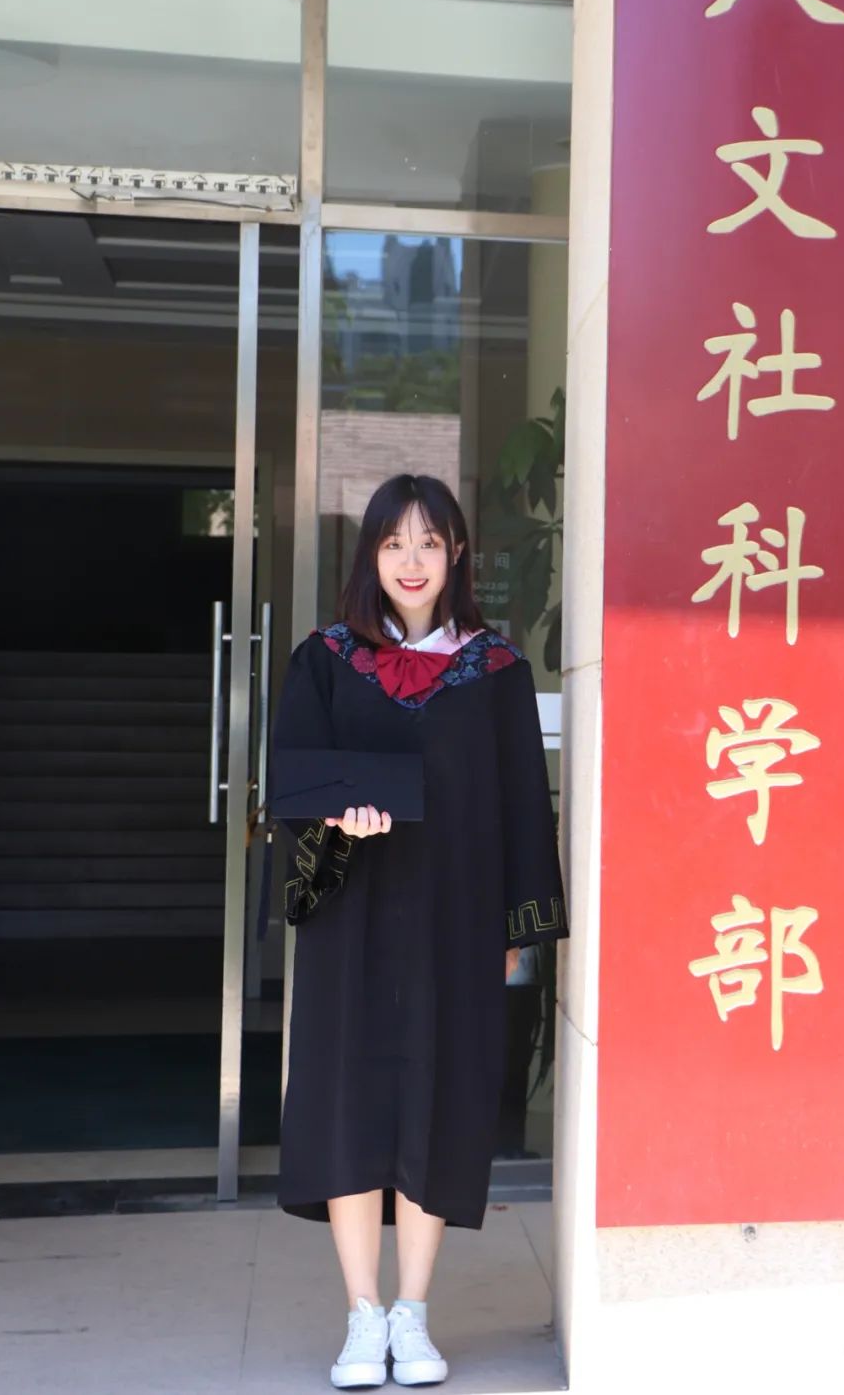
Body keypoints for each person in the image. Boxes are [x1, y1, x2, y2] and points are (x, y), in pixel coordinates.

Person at [270, 472, 568, 1389]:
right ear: (371, 554)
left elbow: (524, 803)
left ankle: (414, 1309)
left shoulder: (496, 671)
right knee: (352, 1104)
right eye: (394, 542)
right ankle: (363, 1314)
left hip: (454, 919)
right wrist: (335, 824)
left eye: (429, 542)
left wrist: (517, 929)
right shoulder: (324, 659)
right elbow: (294, 790)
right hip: (352, 920)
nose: (411, 560)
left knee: (440, 1102)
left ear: (457, 554)